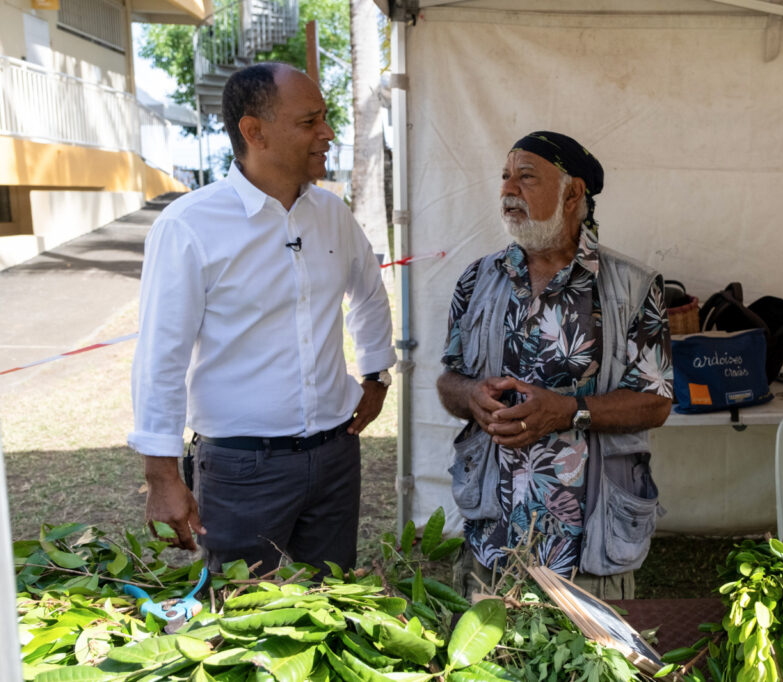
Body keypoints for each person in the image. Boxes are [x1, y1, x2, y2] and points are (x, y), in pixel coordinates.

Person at [128, 63, 396, 577]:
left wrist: (376, 374)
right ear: (254, 132)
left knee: (333, 601)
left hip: (336, 455)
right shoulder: (189, 227)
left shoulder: (331, 214)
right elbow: (161, 356)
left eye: (326, 119)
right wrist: (161, 475)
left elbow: (368, 292)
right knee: (242, 621)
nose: (328, 133)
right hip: (240, 468)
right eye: (310, 121)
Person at [437, 131, 673, 599]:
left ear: (573, 194)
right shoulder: (477, 279)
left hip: (589, 541)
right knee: (490, 665)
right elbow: (449, 379)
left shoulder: (632, 286)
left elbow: (654, 403)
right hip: (494, 533)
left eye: (526, 178)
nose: (508, 190)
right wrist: (471, 398)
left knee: (585, 668)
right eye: (505, 178)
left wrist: (567, 411)